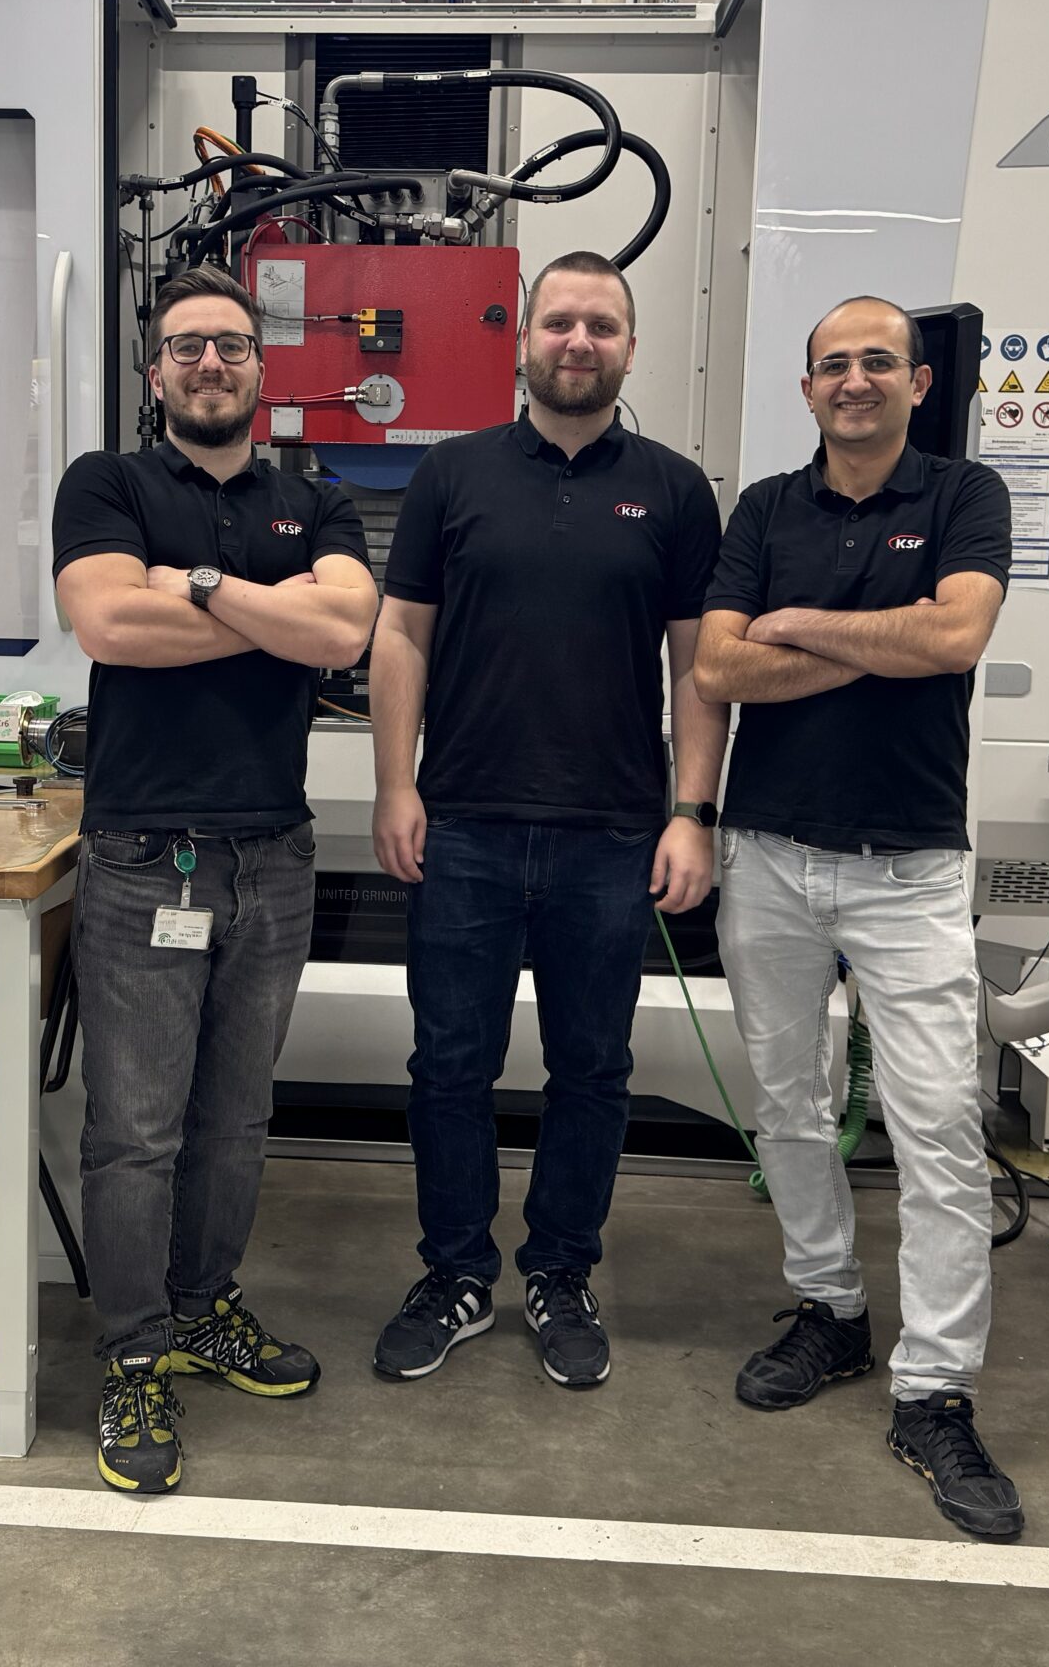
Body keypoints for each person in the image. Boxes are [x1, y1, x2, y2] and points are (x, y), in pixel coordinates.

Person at [692, 293, 1023, 1541]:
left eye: (878, 361)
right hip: (768, 854)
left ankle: (933, 1391)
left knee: (937, 1127)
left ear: (917, 382)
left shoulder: (965, 495)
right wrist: (886, 641)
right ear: (807, 387)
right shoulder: (764, 509)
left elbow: (957, 635)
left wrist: (801, 626)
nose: (855, 380)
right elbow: (718, 667)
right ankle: (829, 1310)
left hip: (910, 866)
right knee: (787, 1104)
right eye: (833, 364)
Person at [368, 250, 728, 1389]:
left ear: (630, 347)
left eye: (601, 326)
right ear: (523, 342)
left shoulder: (675, 490)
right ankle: (456, 1272)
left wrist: (691, 811)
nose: (580, 342)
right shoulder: (451, 475)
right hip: (463, 824)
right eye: (560, 322)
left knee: (593, 1069)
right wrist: (395, 784)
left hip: (611, 835)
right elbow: (400, 635)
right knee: (448, 1066)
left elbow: (698, 667)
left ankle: (562, 1272)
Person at [51, 265, 381, 1494]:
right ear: (156, 374)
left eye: (231, 345)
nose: (209, 364)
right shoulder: (108, 486)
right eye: (186, 346)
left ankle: (201, 1309)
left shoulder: (315, 498)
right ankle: (133, 1355)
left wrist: (189, 584)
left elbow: (343, 634)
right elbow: (109, 628)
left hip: (272, 856)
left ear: (261, 369)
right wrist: (268, 612)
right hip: (147, 857)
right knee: (135, 1134)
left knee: (235, 1121)